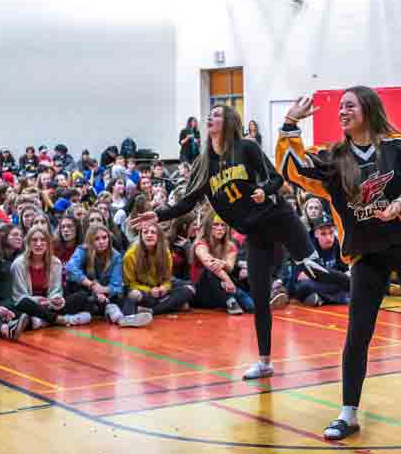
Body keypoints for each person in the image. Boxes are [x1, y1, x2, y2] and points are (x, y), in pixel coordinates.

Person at [278, 89, 401, 441]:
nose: (342, 111)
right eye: (340, 106)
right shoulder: (333, 157)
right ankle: (348, 413)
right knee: (357, 333)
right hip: (366, 253)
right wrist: (290, 122)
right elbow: (293, 169)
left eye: (350, 105)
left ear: (368, 110)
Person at [130, 104, 319, 381]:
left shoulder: (247, 148)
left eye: (217, 114)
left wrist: (261, 191)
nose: (210, 117)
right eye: (209, 115)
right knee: (259, 296)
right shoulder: (205, 163)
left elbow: (277, 179)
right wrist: (157, 214)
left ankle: (357, 283)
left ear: (230, 121)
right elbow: (187, 202)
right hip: (255, 234)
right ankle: (265, 362)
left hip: (278, 218)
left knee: (314, 269)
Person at [66, 224, 150, 327]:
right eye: (97, 239)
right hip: (85, 292)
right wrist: (92, 285)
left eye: (104, 237)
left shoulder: (116, 256)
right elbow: (70, 268)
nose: (101, 241)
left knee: (125, 293)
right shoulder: (83, 250)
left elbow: (116, 286)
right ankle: (121, 316)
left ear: (109, 238)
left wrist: (102, 290)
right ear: (90, 240)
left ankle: (124, 316)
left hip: (106, 295)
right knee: (82, 294)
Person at [10, 227, 91, 328]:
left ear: (48, 244)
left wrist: (55, 299)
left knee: (82, 296)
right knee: (24, 304)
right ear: (28, 243)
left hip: (49, 305)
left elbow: (56, 290)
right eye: (34, 240)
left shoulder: (56, 262)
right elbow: (19, 297)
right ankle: (62, 319)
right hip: (31, 304)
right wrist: (38, 300)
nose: (39, 244)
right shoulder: (18, 264)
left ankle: (41, 322)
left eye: (43, 240)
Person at [191, 211, 254, 314]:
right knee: (211, 269)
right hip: (202, 293)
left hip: (222, 288)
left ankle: (259, 297)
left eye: (223, 225)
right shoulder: (201, 244)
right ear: (208, 227)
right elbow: (209, 263)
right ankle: (231, 299)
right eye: (215, 225)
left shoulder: (230, 245)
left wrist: (223, 263)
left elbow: (230, 266)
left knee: (251, 307)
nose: (220, 228)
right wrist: (228, 280)